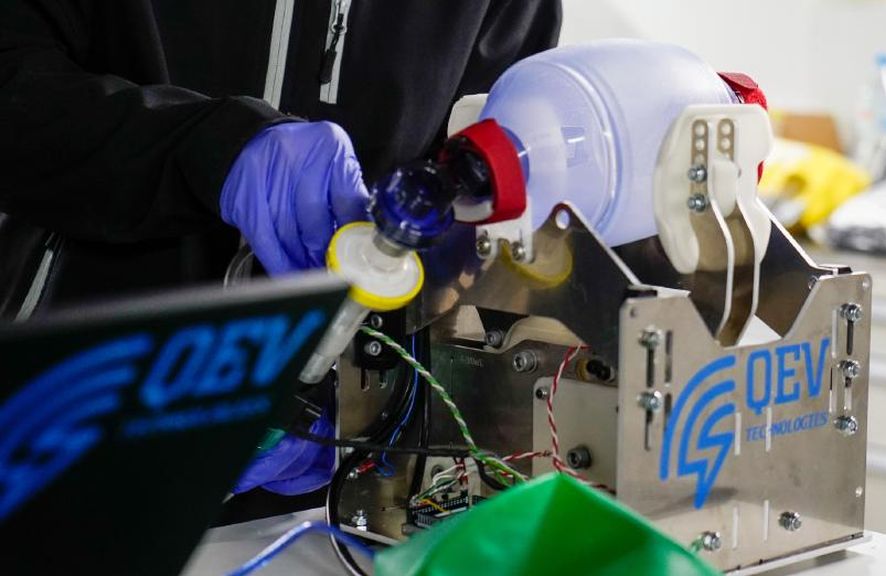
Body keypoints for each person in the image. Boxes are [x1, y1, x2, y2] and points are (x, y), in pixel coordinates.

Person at [0, 0, 560, 507]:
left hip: (322, 476)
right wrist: (206, 148)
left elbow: (491, 191)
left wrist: (375, 397)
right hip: (61, 407)